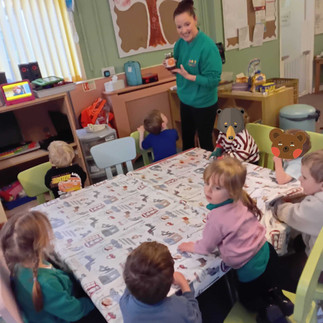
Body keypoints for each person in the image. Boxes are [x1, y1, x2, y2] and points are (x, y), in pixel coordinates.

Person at [178, 157, 293, 323]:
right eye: (206, 183)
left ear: (231, 191)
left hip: (249, 267)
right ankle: (278, 297)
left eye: (217, 187)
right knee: (270, 283)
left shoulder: (217, 218)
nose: (208, 191)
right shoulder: (240, 198)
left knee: (249, 299)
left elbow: (206, 247)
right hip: (267, 252)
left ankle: (266, 309)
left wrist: (191, 246)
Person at [0, 210, 105, 323]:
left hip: (59, 304)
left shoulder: (20, 266)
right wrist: (94, 302)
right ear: (40, 243)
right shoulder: (46, 283)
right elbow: (74, 312)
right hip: (66, 315)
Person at [170, 0, 222, 152]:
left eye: (187, 24)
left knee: (205, 143)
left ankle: (210, 175)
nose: (184, 30)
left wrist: (190, 76)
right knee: (187, 142)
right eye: (179, 27)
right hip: (185, 100)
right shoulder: (179, 44)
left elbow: (213, 81)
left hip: (204, 104)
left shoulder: (208, 47)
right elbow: (180, 69)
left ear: (195, 19)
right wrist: (172, 69)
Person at [272, 150, 323, 291]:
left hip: (319, 270)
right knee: (298, 241)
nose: (299, 179)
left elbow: (292, 215)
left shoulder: (318, 205)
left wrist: (278, 205)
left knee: (276, 269)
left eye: (305, 177)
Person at [119, 241, 202, 323]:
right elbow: (197, 319)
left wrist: (136, 273)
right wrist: (184, 285)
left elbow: (133, 280)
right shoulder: (180, 306)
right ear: (171, 281)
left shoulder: (125, 303)